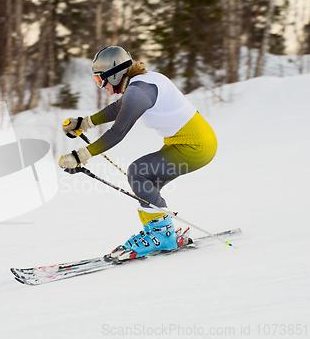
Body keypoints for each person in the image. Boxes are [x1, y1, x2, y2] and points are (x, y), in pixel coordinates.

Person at [58, 46, 217, 261]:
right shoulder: (141, 83)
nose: (101, 86)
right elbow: (118, 109)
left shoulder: (138, 91)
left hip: (195, 146)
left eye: (100, 80)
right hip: (191, 142)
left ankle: (162, 235)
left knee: (138, 173)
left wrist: (81, 156)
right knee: (145, 184)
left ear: (113, 76)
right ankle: (160, 233)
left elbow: (118, 132)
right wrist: (85, 122)